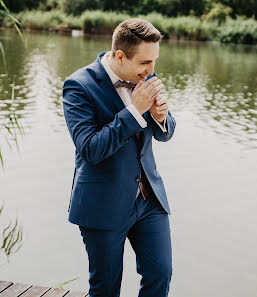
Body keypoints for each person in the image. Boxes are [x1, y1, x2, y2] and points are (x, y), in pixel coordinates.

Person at [62, 18, 175, 297]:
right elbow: (90, 149)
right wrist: (135, 111)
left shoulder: (145, 78)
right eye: (145, 63)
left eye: (154, 61)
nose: (152, 70)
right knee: (105, 289)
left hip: (149, 200)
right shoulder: (78, 86)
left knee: (160, 276)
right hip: (102, 203)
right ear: (120, 56)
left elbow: (164, 133)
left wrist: (161, 118)